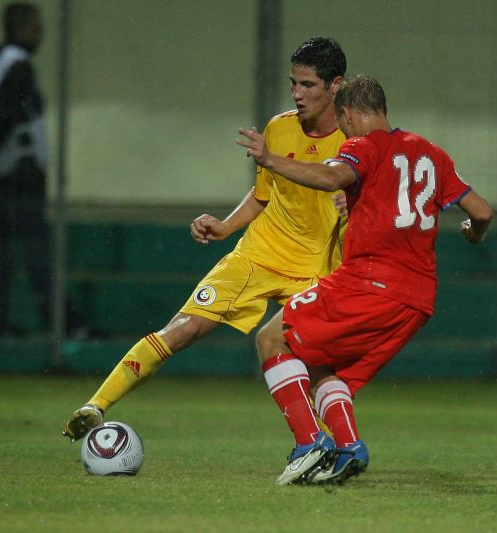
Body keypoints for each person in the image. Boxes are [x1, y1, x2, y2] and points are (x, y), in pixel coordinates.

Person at [63, 37, 349, 441]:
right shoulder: (279, 128)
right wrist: (227, 226)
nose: (296, 94)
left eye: (307, 85)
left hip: (315, 270)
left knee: (316, 364)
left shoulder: (356, 143)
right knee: (184, 328)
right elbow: (264, 194)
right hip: (259, 254)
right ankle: (95, 407)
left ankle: (334, 446)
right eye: (293, 83)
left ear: (336, 85)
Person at [236, 74, 493, 485]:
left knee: (271, 337)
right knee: (323, 366)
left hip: (370, 280)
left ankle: (308, 445)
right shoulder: (431, 153)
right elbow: (481, 212)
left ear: (350, 114)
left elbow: (332, 176)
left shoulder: (362, 146)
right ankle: (349, 447)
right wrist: (472, 234)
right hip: (417, 300)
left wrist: (270, 160)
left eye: (343, 122)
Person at [0, 2, 88, 338]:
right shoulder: (18, 67)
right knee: (37, 252)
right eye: (37, 26)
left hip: (1, 174)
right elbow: (5, 116)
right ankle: (64, 326)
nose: (41, 33)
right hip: (20, 172)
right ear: (24, 28)